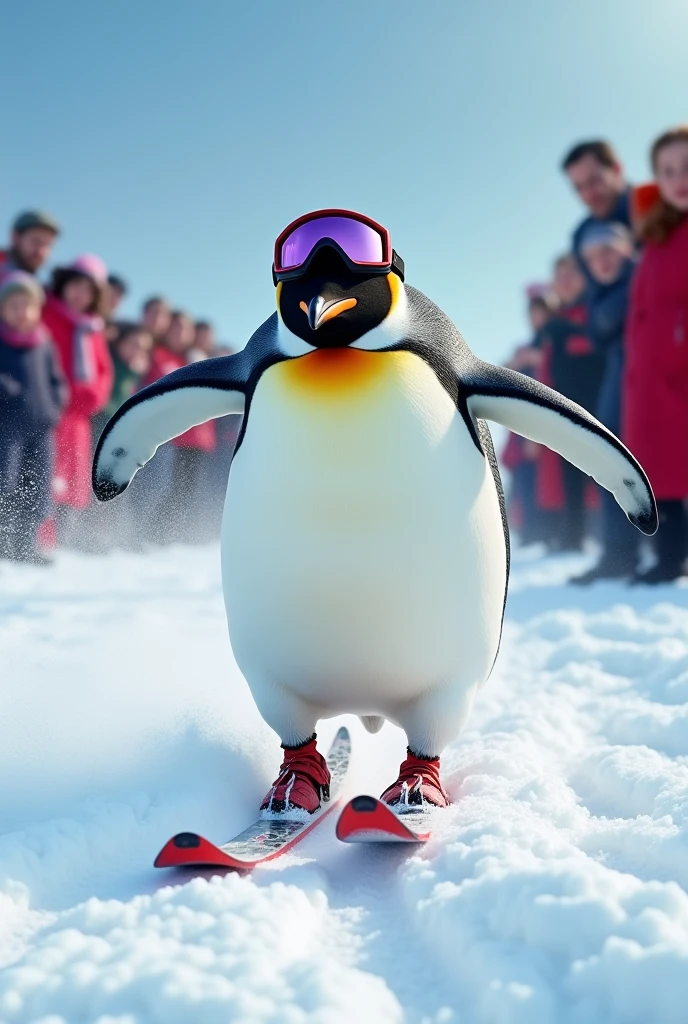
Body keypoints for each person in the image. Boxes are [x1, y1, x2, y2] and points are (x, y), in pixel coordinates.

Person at [624, 125, 688, 583]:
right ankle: (670, 560)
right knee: (661, 472)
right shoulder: (659, 233)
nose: (678, 177)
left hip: (682, 369)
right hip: (650, 376)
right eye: (667, 170)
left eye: (687, 166)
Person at [571, 222, 638, 584]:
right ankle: (618, 551)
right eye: (593, 257)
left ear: (627, 249)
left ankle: (637, 550)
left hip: (650, 375)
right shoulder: (601, 292)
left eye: (609, 251)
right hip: (620, 373)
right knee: (614, 459)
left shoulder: (641, 276)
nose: (602, 262)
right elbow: (597, 331)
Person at [42, 255, 113, 546]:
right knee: (45, 478)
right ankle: (38, 540)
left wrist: (93, 396)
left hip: (78, 420)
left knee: (72, 485)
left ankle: (61, 542)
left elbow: (102, 372)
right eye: (76, 285)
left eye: (88, 290)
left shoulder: (92, 329)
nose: (80, 294)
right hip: (49, 412)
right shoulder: (45, 314)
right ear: (64, 284)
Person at [535, 254, 603, 551]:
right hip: (565, 406)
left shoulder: (593, 308)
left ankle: (614, 541)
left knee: (603, 471)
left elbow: (602, 344)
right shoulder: (556, 321)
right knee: (569, 474)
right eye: (559, 274)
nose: (565, 280)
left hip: (597, 404)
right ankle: (573, 538)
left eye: (571, 273)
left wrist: (574, 336)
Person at [0, 272, 68, 563]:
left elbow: (57, 380)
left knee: (37, 487)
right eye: (14, 304)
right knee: (7, 483)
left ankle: (27, 545)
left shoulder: (44, 343)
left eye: (27, 305)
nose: (22, 311)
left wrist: (56, 403)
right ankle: (5, 542)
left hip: (42, 429)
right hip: (8, 428)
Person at [143, 311, 216, 543]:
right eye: (176, 328)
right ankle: (151, 535)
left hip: (198, 437)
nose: (181, 334)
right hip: (174, 438)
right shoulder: (161, 356)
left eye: (185, 329)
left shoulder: (193, 358)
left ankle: (171, 536)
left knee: (186, 493)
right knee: (166, 489)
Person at [0, 210, 61, 280]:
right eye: (36, 241)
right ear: (15, 238)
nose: (41, 251)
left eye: (48, 245)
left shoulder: (42, 284)